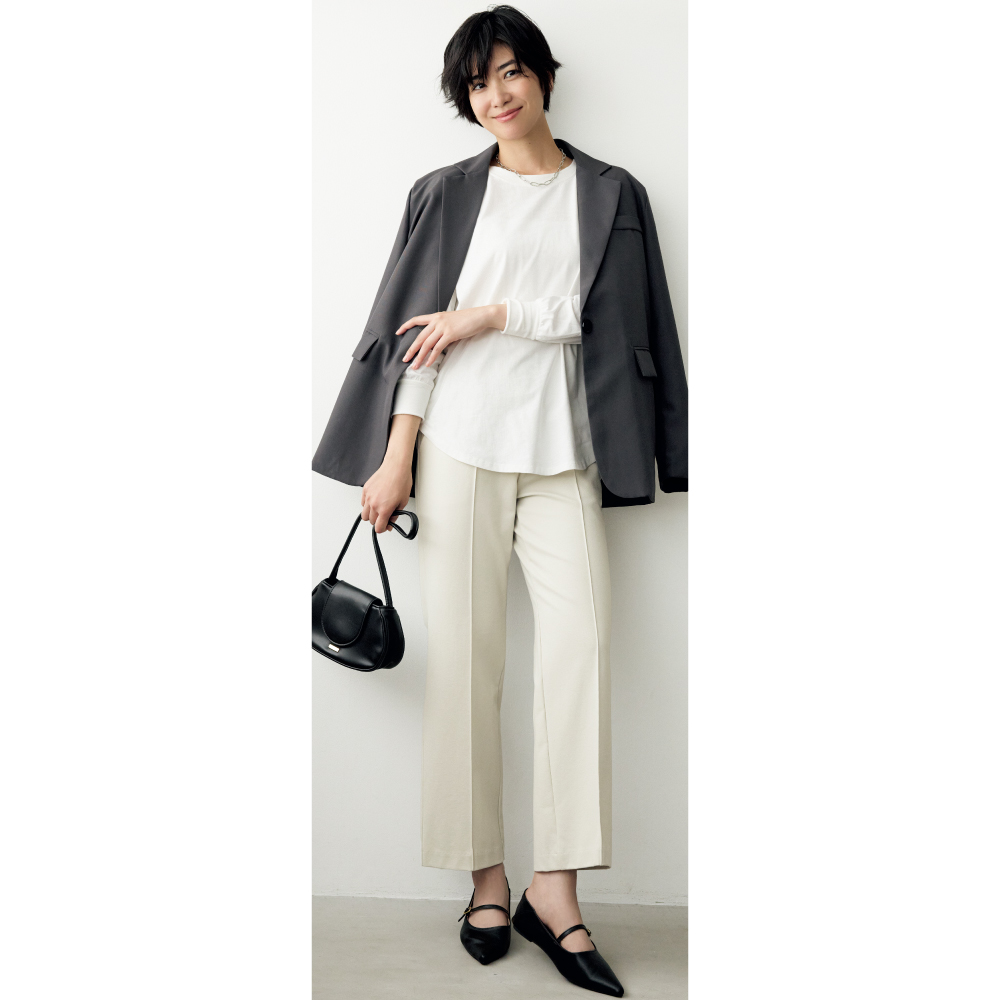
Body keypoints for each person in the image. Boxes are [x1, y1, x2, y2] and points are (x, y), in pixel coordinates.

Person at [312, 6, 687, 996]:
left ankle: (554, 890)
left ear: (543, 77)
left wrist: (492, 313)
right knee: (466, 669)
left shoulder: (609, 193)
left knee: (579, 659)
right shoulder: (443, 194)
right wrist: (395, 457)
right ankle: (484, 878)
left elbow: (611, 316)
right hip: (459, 450)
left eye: (511, 71)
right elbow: (417, 341)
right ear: (464, 99)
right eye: (477, 83)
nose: (497, 94)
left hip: (565, 455)